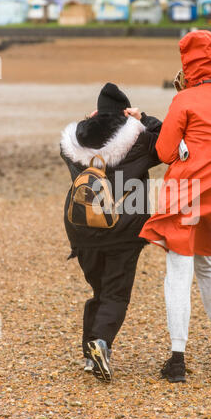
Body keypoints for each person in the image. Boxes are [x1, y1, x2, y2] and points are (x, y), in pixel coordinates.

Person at [140, 31, 211, 383]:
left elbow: (165, 152)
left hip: (187, 192)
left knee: (178, 274)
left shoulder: (184, 101)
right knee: (209, 266)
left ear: (190, 65)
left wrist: (178, 106)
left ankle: (177, 359)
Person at [60, 83, 161, 382]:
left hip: (82, 229)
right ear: (125, 112)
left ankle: (89, 356)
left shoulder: (73, 143)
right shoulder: (140, 139)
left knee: (100, 290)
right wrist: (144, 120)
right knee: (116, 293)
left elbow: (83, 135)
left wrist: (88, 122)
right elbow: (169, 143)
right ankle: (100, 342)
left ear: (96, 113)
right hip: (124, 230)